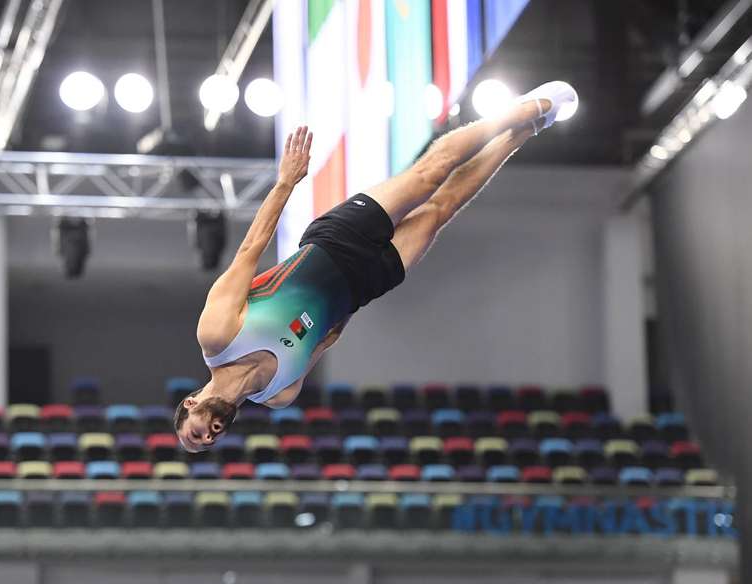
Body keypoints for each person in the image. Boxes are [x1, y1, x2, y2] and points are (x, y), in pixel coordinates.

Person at [175, 81, 578, 452]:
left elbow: (250, 249)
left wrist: (285, 183)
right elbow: (328, 336)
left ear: (191, 403)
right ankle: (524, 132)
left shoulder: (217, 335)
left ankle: (519, 112)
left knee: (429, 174)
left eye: (196, 433)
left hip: (335, 240)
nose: (209, 435)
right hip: (365, 284)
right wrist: (356, 295)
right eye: (208, 442)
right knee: (441, 209)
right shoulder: (280, 394)